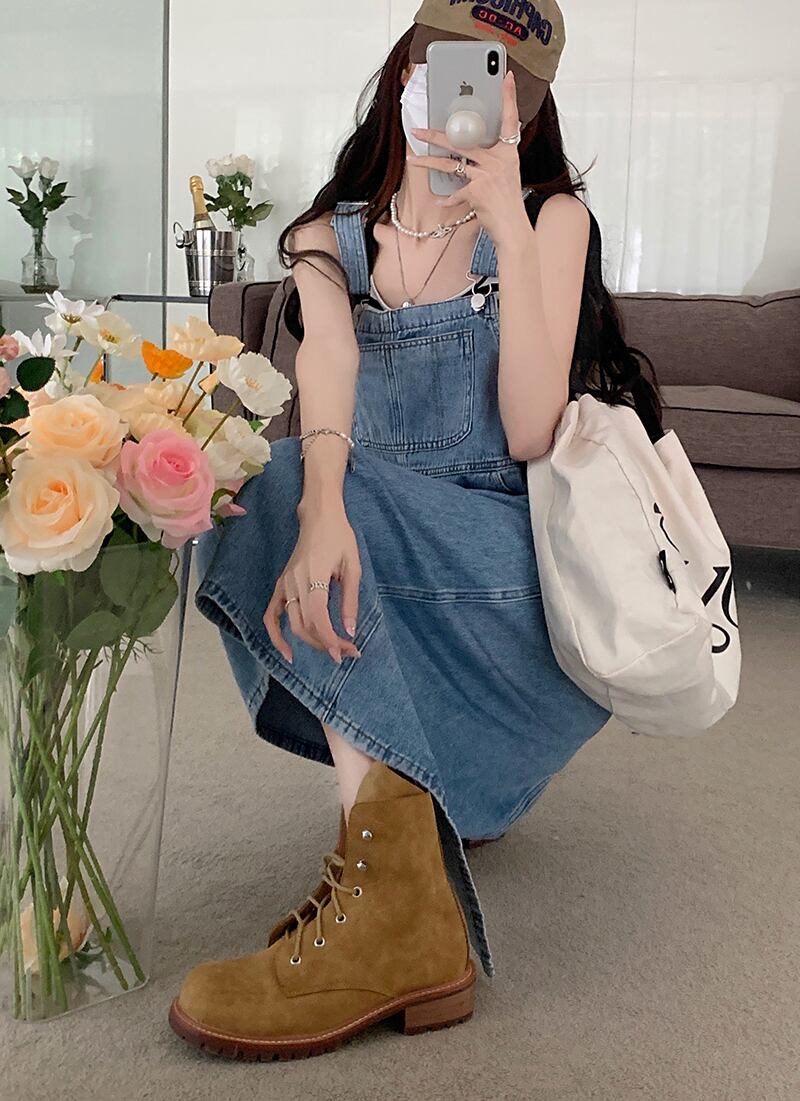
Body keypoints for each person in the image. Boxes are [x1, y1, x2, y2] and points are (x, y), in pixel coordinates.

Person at [168, 0, 663, 1061]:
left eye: (508, 84)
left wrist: (508, 228)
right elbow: (328, 361)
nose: (480, 98)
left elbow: (529, 429)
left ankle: (398, 911)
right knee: (267, 492)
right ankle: (402, 845)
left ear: (529, 112)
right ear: (405, 76)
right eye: (454, 69)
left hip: (511, 592)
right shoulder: (329, 236)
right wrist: (321, 507)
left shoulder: (550, 222)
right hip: (385, 575)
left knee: (317, 497)